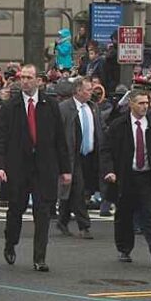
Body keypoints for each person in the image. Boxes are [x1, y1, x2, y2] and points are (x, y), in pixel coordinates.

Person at [0, 64, 71, 272]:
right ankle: (10, 243)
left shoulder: (50, 105)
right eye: (22, 77)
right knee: (15, 210)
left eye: (29, 77)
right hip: (18, 168)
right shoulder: (10, 107)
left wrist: (65, 169)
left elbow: (60, 140)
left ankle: (40, 257)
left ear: (38, 80)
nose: (24, 81)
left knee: (43, 212)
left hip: (44, 167)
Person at [101, 89, 151, 266]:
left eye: (147, 103)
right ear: (131, 104)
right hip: (126, 176)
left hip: (147, 176)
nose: (144, 106)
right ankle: (124, 249)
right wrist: (109, 170)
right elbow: (106, 150)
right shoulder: (119, 125)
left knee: (150, 212)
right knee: (124, 213)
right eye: (140, 103)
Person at [57, 77, 102, 240]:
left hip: (89, 156)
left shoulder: (93, 108)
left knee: (74, 190)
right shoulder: (64, 108)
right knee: (78, 189)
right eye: (88, 90)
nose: (91, 93)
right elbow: (58, 134)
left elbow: (99, 130)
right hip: (71, 156)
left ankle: (62, 220)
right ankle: (84, 225)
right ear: (78, 91)